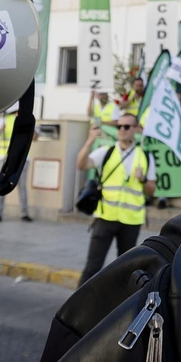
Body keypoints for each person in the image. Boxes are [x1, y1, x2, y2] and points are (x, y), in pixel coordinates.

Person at [76, 111, 154, 282]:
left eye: (126, 126)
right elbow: (81, 165)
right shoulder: (106, 152)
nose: (122, 130)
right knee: (92, 268)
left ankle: (119, 300)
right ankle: (80, 300)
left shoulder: (145, 157)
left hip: (131, 221)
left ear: (136, 129)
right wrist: (89, 140)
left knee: (126, 270)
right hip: (105, 218)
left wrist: (143, 179)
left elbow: (151, 191)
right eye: (119, 126)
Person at [0, 102, 33, 223]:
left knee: (21, 186)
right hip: (5, 157)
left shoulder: (27, 120)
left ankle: (24, 213)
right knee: (2, 185)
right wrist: (1, 128)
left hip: (22, 158)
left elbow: (35, 136)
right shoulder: (5, 119)